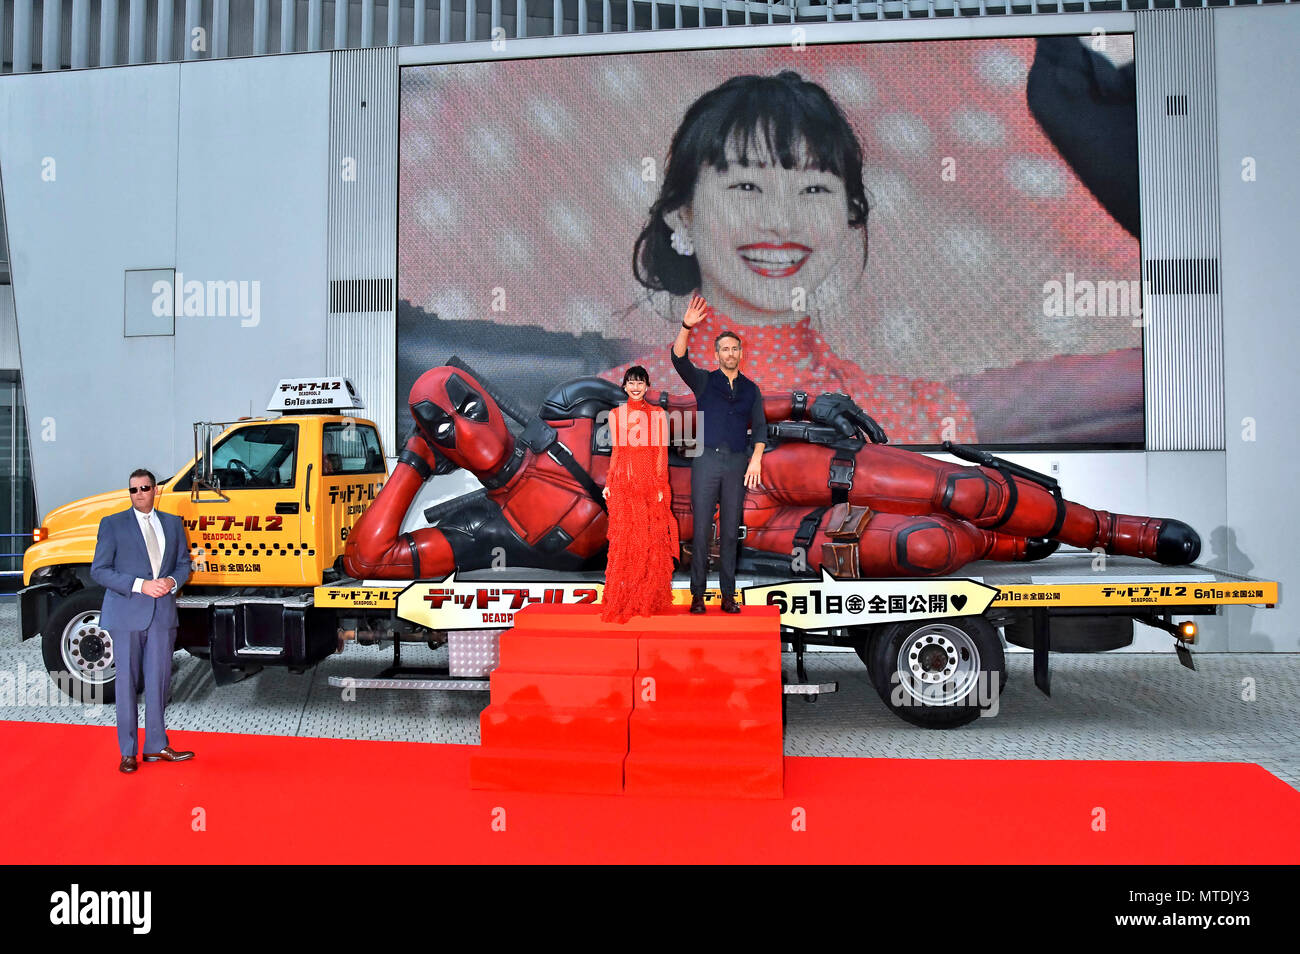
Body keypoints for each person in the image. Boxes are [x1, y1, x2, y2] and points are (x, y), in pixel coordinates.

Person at [608, 69, 976, 445]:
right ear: (682, 215)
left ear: (849, 214)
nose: (781, 223)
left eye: (814, 189)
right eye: (747, 186)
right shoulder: (612, 412)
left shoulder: (925, 417)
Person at [90, 468, 194, 774]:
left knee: (160, 681)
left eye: (145, 488)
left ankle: (156, 746)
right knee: (126, 684)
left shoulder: (173, 524)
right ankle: (128, 751)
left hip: (162, 614)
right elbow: (100, 570)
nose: (139, 494)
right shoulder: (113, 524)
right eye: (133, 489)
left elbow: (184, 564)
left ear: (155, 490)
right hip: (126, 614)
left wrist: (172, 583)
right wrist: (140, 585)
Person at [672, 293, 765, 614]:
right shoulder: (704, 382)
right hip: (706, 460)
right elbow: (679, 360)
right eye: (724, 348)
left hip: (737, 462)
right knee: (700, 529)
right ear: (717, 354)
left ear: (741, 353)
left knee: (729, 531)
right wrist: (686, 326)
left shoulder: (751, 389)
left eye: (734, 348)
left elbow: (762, 430)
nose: (730, 353)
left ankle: (728, 595)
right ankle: (697, 595)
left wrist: (755, 459)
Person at [600, 367, 679, 623]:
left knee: (648, 542)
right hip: (624, 482)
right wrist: (610, 481)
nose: (635, 387)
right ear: (624, 387)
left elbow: (661, 452)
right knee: (624, 542)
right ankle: (625, 599)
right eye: (631, 383)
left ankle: (645, 598)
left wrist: (659, 485)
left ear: (647, 386)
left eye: (640, 382)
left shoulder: (657, 415)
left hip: (648, 484)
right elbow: (617, 451)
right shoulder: (615, 415)